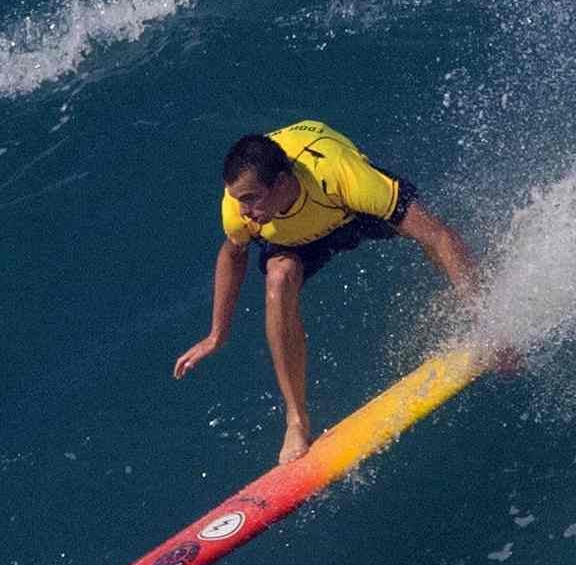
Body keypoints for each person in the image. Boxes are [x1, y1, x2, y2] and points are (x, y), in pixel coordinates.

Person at [176, 123, 482, 457]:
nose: (244, 210)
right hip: (295, 237)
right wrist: (216, 334)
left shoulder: (343, 176)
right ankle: (296, 421)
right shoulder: (240, 209)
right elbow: (233, 253)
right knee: (278, 278)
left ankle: (475, 304)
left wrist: (488, 326)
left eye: (251, 199)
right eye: (239, 200)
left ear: (281, 183)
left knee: (425, 234)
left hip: (348, 211)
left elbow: (439, 235)